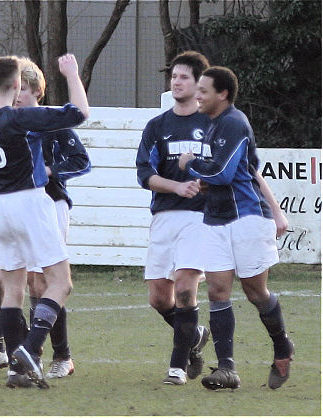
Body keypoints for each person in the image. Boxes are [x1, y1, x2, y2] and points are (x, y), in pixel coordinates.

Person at [0, 53, 89, 389]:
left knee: (11, 290)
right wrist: (71, 74)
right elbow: (79, 113)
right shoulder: (22, 119)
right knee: (60, 283)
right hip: (30, 202)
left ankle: (16, 371)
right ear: (13, 86)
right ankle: (31, 347)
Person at [178, 66, 294, 390]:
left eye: (203, 90)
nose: (197, 95)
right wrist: (204, 182)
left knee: (256, 292)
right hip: (216, 218)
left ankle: (283, 346)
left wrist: (190, 166)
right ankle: (227, 369)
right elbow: (230, 173)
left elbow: (225, 175)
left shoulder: (233, 122)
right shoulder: (214, 127)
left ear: (223, 94)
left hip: (246, 216)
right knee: (217, 291)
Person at [135, 51, 213, 386]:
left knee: (185, 288)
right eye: (174, 77)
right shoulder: (157, 126)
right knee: (159, 297)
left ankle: (177, 367)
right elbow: (144, 174)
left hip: (201, 218)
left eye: (183, 77)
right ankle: (193, 335)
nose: (176, 81)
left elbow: (230, 169)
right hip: (165, 216)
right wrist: (178, 187)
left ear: (199, 85)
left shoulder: (215, 125)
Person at [16, 58, 90, 380]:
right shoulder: (8, 122)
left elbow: (81, 161)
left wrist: (50, 171)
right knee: (33, 282)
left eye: (20, 87)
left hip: (51, 203)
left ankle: (61, 355)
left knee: (48, 280)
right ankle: (37, 350)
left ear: (35, 89)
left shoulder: (53, 122)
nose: (15, 93)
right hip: (20, 207)